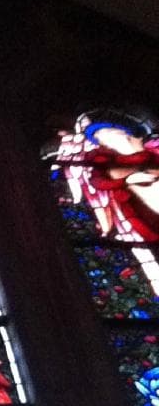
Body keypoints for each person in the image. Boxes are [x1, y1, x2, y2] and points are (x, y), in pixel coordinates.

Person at [55, 118, 159, 298]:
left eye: (114, 133)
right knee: (146, 254)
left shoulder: (152, 152)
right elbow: (99, 182)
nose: (112, 137)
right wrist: (127, 180)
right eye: (103, 137)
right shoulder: (100, 160)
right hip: (131, 214)